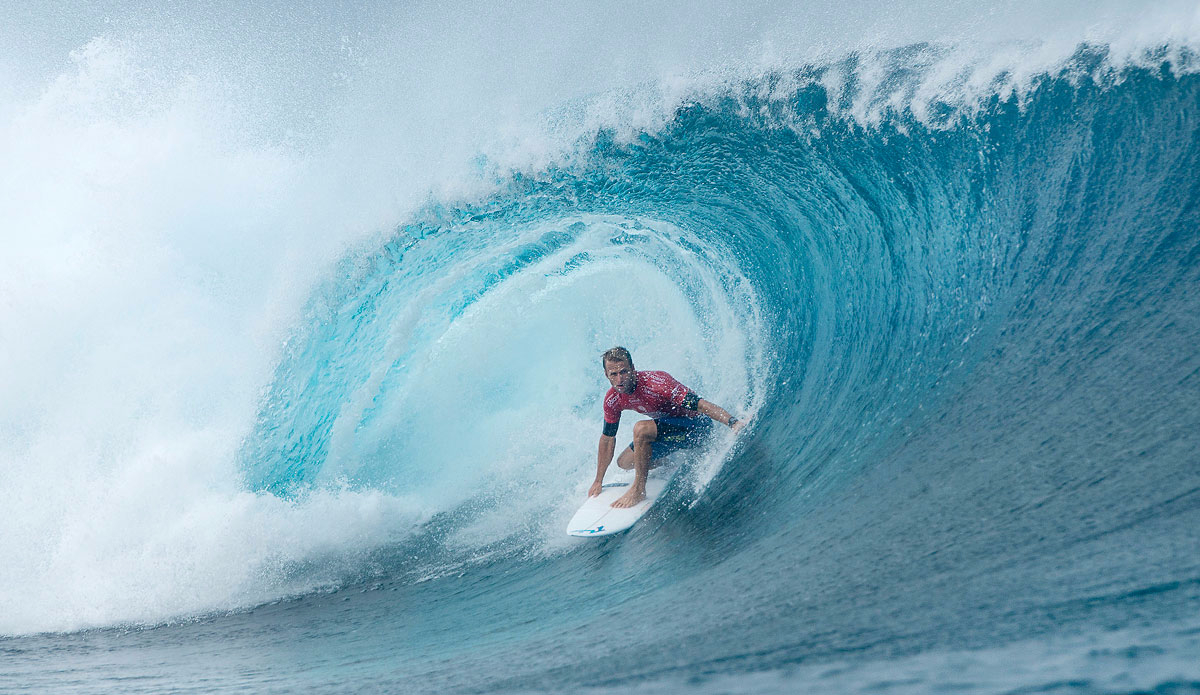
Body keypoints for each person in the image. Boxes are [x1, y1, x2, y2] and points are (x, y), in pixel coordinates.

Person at [591, 346, 745, 509]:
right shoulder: (613, 399)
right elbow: (608, 439)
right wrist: (598, 481)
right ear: (606, 375)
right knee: (625, 462)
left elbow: (701, 405)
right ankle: (667, 462)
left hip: (697, 429)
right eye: (613, 374)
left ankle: (638, 490)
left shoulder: (657, 383)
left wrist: (733, 422)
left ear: (633, 369)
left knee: (641, 429)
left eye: (623, 372)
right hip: (671, 432)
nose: (619, 379)